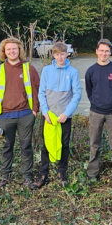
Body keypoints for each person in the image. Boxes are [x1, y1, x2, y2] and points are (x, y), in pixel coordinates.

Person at [0, 37, 41, 189]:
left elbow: (37, 89)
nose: (12, 51)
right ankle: (5, 176)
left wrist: (34, 110)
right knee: (7, 147)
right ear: (4, 52)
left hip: (25, 114)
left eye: (14, 48)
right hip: (5, 115)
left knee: (26, 147)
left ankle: (27, 177)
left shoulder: (28, 68)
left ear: (20, 50)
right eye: (8, 49)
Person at [37, 42, 82, 188]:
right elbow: (41, 93)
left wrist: (66, 113)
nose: (60, 57)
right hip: (49, 116)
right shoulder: (47, 70)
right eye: (57, 54)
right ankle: (43, 173)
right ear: (53, 55)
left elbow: (77, 95)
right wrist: (45, 112)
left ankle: (61, 171)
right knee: (46, 145)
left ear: (67, 54)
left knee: (64, 145)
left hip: (64, 116)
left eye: (62, 54)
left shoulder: (73, 72)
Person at [84, 39, 112, 186]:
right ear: (96, 51)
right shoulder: (91, 70)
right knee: (94, 144)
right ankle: (92, 174)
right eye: (101, 50)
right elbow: (89, 90)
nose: (104, 53)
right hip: (96, 112)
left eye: (107, 51)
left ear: (110, 52)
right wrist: (96, 102)